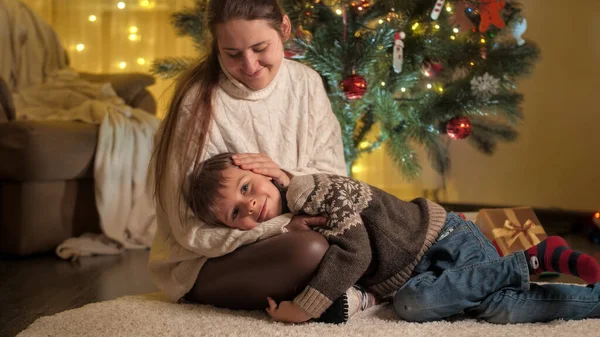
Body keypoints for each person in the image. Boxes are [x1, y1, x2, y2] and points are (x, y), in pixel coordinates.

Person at [189, 152, 600, 324]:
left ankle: (527, 260)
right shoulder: (293, 217)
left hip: (442, 239)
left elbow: (356, 253)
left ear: (261, 170)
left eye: (246, 188)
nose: (251, 207)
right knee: (499, 310)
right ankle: (591, 301)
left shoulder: (314, 192)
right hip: (421, 268)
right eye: (235, 215)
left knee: (411, 305)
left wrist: (304, 309)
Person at [148, 0, 347, 309]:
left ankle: (325, 293)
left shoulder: (306, 83)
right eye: (233, 54)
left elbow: (337, 177)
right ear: (217, 46)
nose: (250, 65)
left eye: (259, 48)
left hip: (299, 231)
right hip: (214, 261)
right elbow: (190, 233)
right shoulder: (197, 105)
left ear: (284, 28)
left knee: (356, 234)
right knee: (310, 250)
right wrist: (279, 227)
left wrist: (284, 176)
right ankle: (329, 292)